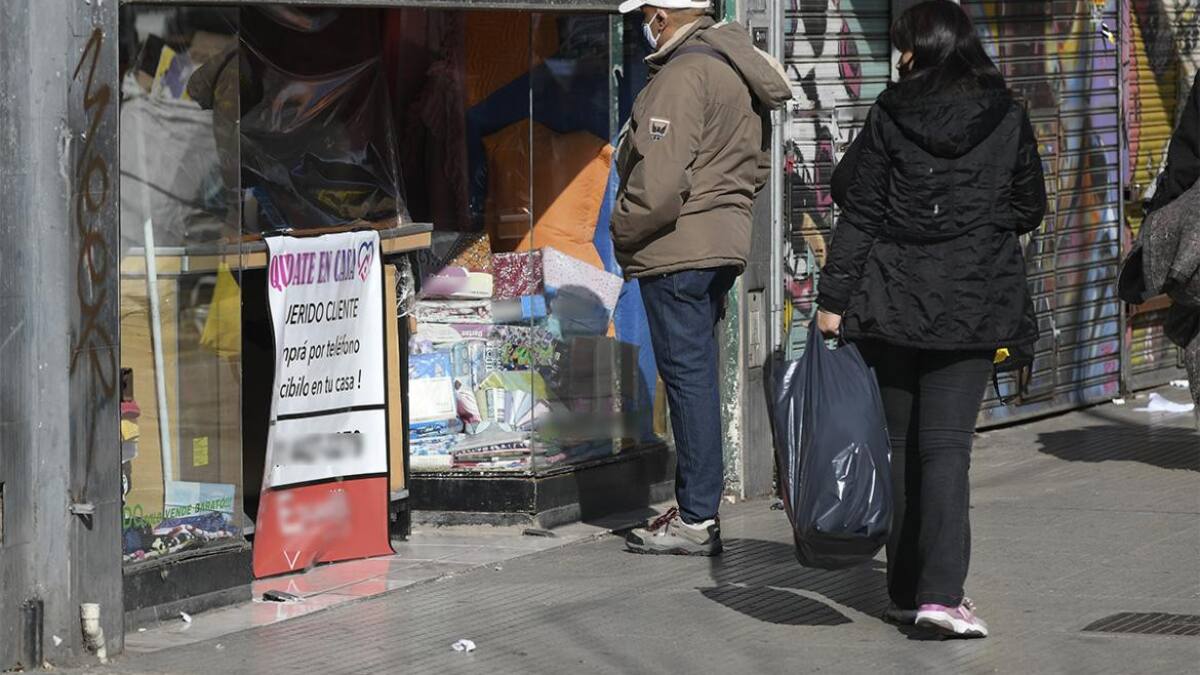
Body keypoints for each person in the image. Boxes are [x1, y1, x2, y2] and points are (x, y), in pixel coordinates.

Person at [817, 0, 1046, 637]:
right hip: (973, 303)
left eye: (904, 48)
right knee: (946, 449)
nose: (900, 59)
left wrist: (833, 302)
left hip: (891, 302)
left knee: (897, 447)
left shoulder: (890, 112)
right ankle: (942, 596)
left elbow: (856, 207)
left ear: (924, 48)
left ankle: (906, 589)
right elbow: (1031, 208)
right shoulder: (1007, 114)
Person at [612, 0, 791, 555]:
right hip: (718, 245)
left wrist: (622, 227)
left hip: (677, 248)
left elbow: (659, 184)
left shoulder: (684, 73)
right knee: (698, 376)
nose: (643, 23)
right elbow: (757, 167)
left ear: (662, 15)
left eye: (645, 13)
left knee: (687, 378)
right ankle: (698, 511)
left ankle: (696, 518)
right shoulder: (733, 66)